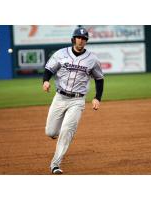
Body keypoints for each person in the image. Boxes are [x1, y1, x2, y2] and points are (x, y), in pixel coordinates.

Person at [42, 27, 104, 174]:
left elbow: (99, 79)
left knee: (66, 131)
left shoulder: (92, 59)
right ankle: (55, 134)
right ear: (73, 39)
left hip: (77, 100)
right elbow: (49, 70)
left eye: (84, 38)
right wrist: (45, 81)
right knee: (50, 132)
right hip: (60, 97)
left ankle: (55, 164)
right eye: (78, 37)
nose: (81, 40)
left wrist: (97, 97)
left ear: (86, 41)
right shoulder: (61, 54)